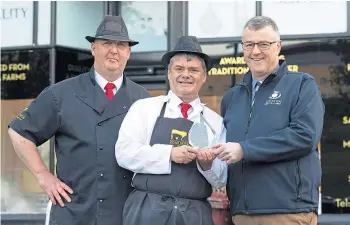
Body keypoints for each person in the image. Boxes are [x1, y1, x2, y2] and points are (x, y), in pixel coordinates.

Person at [8, 15, 150, 225]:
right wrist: (42, 175)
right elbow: (19, 132)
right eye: (107, 43)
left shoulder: (144, 100)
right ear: (93, 48)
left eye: (121, 45)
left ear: (128, 52)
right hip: (74, 213)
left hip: (126, 215)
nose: (114, 50)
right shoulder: (60, 94)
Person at [214, 16, 324, 225]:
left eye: (263, 44)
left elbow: (305, 136)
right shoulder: (232, 98)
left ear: (278, 46)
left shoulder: (302, 85)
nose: (255, 51)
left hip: (288, 212)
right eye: (249, 44)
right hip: (241, 214)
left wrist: (244, 149)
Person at [115, 36, 227, 225]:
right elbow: (124, 153)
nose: (186, 74)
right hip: (146, 211)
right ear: (169, 73)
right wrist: (169, 154)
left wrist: (207, 165)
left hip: (194, 214)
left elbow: (221, 179)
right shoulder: (144, 109)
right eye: (179, 69)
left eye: (193, 70)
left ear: (204, 76)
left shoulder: (214, 122)